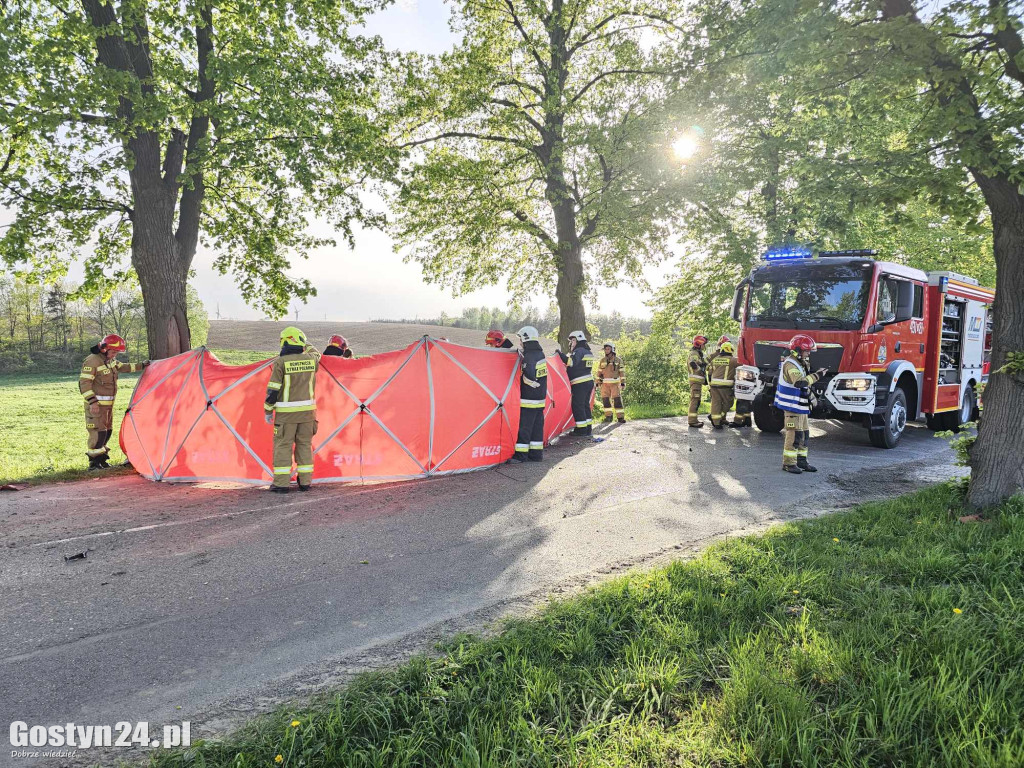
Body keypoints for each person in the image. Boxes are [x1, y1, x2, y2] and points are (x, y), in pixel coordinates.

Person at [264, 326, 321, 492]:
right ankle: (305, 483)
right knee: (304, 446)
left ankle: (281, 485)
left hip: (286, 417)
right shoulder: (311, 359)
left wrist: (268, 411)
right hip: (308, 415)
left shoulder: (281, 362)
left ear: (285, 342)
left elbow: (273, 390)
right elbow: (317, 353)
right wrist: (306, 343)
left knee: (283, 447)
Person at [78, 334, 148, 470]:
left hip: (108, 407)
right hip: (96, 407)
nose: (115, 355)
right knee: (97, 433)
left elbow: (124, 367)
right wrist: (92, 403)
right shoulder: (92, 361)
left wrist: (142, 365)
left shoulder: (110, 361)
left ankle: (102, 460)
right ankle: (94, 464)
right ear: (104, 349)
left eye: (117, 352)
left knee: (106, 432)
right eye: (114, 352)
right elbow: (84, 383)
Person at [774, 334, 828, 474]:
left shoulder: (800, 363)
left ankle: (801, 461)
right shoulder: (790, 364)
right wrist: (818, 375)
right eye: (806, 350)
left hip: (800, 407)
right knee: (794, 435)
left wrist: (814, 401)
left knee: (804, 434)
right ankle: (789, 463)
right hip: (792, 407)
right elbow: (800, 382)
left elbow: (805, 387)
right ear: (797, 350)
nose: (809, 353)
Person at [513, 326, 547, 461]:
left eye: (521, 339)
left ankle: (521, 455)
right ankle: (536, 455)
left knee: (525, 427)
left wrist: (522, 378)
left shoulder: (530, 357)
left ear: (526, 338)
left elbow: (529, 377)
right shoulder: (540, 354)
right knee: (537, 427)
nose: (520, 342)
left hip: (529, 399)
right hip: (540, 398)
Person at [558, 330, 596, 436]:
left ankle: (581, 430)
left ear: (578, 340)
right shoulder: (588, 351)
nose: (572, 343)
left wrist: (561, 355)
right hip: (588, 382)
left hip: (580, 383)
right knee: (585, 405)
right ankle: (588, 428)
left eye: (573, 340)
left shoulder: (578, 351)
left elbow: (571, 363)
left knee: (578, 406)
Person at [707, 341, 738, 429]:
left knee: (716, 404)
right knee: (729, 403)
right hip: (725, 387)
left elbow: (709, 373)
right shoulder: (733, 360)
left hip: (713, 385)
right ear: (730, 350)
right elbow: (743, 365)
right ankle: (717, 417)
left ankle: (716, 422)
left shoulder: (715, 359)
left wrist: (710, 385)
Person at [596, 341, 625, 423]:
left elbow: (622, 372)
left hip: (615, 384)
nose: (606, 351)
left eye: (608, 349)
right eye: (605, 349)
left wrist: (623, 383)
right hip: (605, 384)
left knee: (617, 400)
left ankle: (620, 418)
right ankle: (608, 417)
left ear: (612, 350)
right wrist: (597, 382)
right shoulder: (602, 360)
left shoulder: (618, 360)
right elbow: (599, 372)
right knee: (606, 401)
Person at [687, 335, 709, 428]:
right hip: (695, 380)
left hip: (697, 381)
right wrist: (701, 369)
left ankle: (694, 420)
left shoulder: (697, 353)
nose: (704, 346)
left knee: (697, 400)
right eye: (704, 344)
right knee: (695, 400)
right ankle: (692, 421)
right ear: (699, 344)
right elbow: (693, 364)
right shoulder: (694, 353)